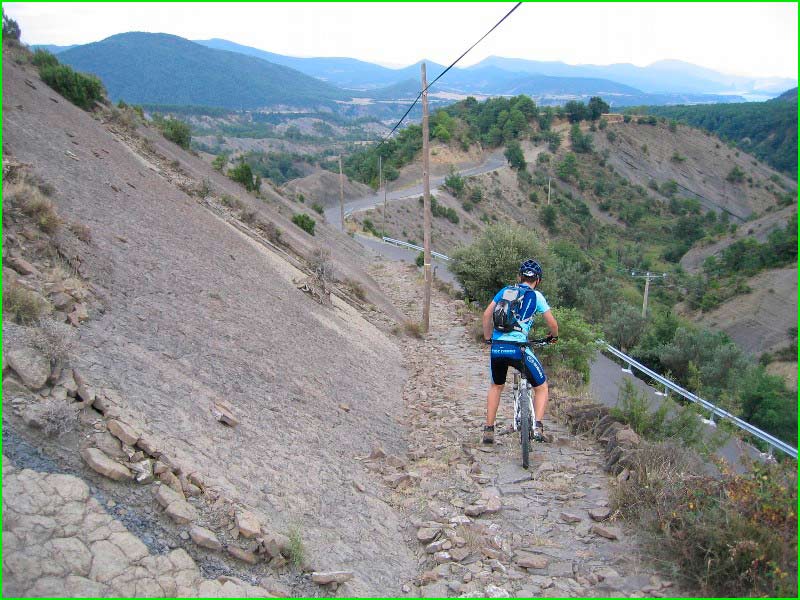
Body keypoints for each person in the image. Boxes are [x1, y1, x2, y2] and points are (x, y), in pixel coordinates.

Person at [481, 259, 558, 444]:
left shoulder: (505, 291)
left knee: (496, 386)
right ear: (537, 280)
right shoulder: (537, 297)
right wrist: (553, 337)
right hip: (519, 350)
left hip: (498, 348)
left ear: (519, 277)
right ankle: (537, 427)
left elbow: (486, 315)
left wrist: (488, 338)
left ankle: (489, 430)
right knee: (541, 387)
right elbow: (553, 324)